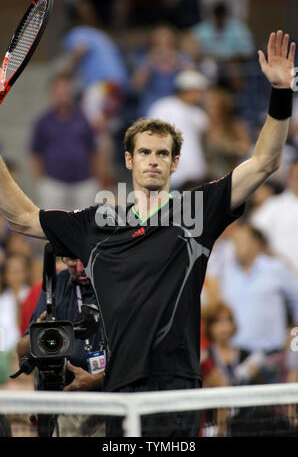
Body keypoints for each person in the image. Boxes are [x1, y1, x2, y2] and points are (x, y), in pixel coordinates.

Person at [0, 30, 295, 437]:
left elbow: (264, 162)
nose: (153, 161)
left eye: (162, 154)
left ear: (175, 163)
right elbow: (20, 217)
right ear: (129, 159)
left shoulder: (197, 211)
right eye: (144, 152)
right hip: (120, 396)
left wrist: (281, 92)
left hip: (177, 394)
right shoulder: (95, 223)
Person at [17, 257, 105, 437]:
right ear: (62, 257)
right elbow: (22, 350)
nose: (80, 268)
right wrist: (37, 335)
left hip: (110, 401)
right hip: (65, 401)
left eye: (84, 258)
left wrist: (97, 379)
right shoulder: (54, 284)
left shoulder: (116, 280)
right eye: (72, 259)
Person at [218, 224, 298, 356]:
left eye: (241, 240)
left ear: (255, 244)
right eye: (235, 241)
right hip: (237, 354)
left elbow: (296, 296)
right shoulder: (228, 272)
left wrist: (295, 333)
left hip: (272, 355)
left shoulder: (275, 268)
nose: (236, 245)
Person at [30, 74, 100, 211]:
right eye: (58, 91)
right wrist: (41, 180)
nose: (62, 94)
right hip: (53, 182)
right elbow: (36, 153)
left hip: (83, 182)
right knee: (52, 227)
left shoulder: (84, 118)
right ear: (52, 93)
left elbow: (94, 150)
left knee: (86, 227)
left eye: (65, 90)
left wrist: (96, 176)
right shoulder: (43, 121)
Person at [147, 69, 210, 190]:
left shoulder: (199, 114)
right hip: (171, 175)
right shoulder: (164, 107)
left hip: (195, 174)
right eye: (198, 91)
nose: (201, 95)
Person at [251, 159, 298, 273]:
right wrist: (279, 262)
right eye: (295, 176)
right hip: (282, 275)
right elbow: (254, 235)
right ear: (289, 179)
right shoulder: (273, 206)